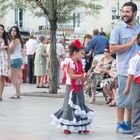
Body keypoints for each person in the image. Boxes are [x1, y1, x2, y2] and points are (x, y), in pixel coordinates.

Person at [51, 39, 94, 134]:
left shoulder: (81, 63)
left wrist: (85, 76)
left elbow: (82, 78)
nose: (83, 56)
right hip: (71, 87)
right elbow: (71, 75)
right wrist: (81, 76)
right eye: (82, 54)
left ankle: (81, 127)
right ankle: (67, 126)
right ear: (75, 53)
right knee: (69, 106)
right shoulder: (69, 62)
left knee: (80, 105)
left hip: (79, 87)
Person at [109, 1, 140, 134]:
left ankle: (129, 123)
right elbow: (112, 49)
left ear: (135, 13)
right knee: (123, 98)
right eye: (123, 11)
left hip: (137, 71)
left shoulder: (139, 28)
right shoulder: (118, 29)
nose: (124, 14)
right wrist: (130, 43)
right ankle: (120, 124)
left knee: (133, 101)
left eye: (127, 11)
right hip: (124, 70)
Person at [124, 45, 140, 140]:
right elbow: (130, 74)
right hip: (137, 84)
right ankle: (137, 131)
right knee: (137, 106)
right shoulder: (136, 58)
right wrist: (127, 88)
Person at [9, 26, 23, 99]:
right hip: (16, 59)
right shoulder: (14, 40)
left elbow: (10, 49)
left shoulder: (16, 40)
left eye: (14, 31)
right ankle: (18, 92)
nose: (13, 32)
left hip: (16, 59)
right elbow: (11, 51)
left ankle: (18, 92)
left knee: (13, 77)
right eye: (12, 30)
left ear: (17, 32)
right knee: (12, 77)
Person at [0, 24, 9, 101]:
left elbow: (8, 50)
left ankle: (0, 95)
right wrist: (3, 47)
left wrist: (9, 61)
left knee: (3, 77)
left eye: (2, 29)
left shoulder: (5, 39)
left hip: (4, 58)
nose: (0, 31)